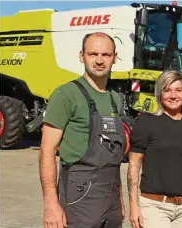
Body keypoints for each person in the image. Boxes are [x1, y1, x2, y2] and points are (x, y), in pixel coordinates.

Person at [39, 32, 126, 228]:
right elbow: (47, 150)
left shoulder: (115, 99)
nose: (99, 60)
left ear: (114, 58)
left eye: (106, 55)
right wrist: (50, 203)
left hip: (110, 192)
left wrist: (119, 197)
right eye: (93, 54)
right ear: (81, 56)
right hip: (80, 193)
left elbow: (113, 155)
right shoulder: (66, 94)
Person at [127, 70, 182, 228]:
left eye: (178, 90)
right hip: (155, 208)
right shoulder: (146, 122)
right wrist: (134, 206)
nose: (173, 95)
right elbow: (134, 167)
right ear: (159, 94)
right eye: (167, 90)